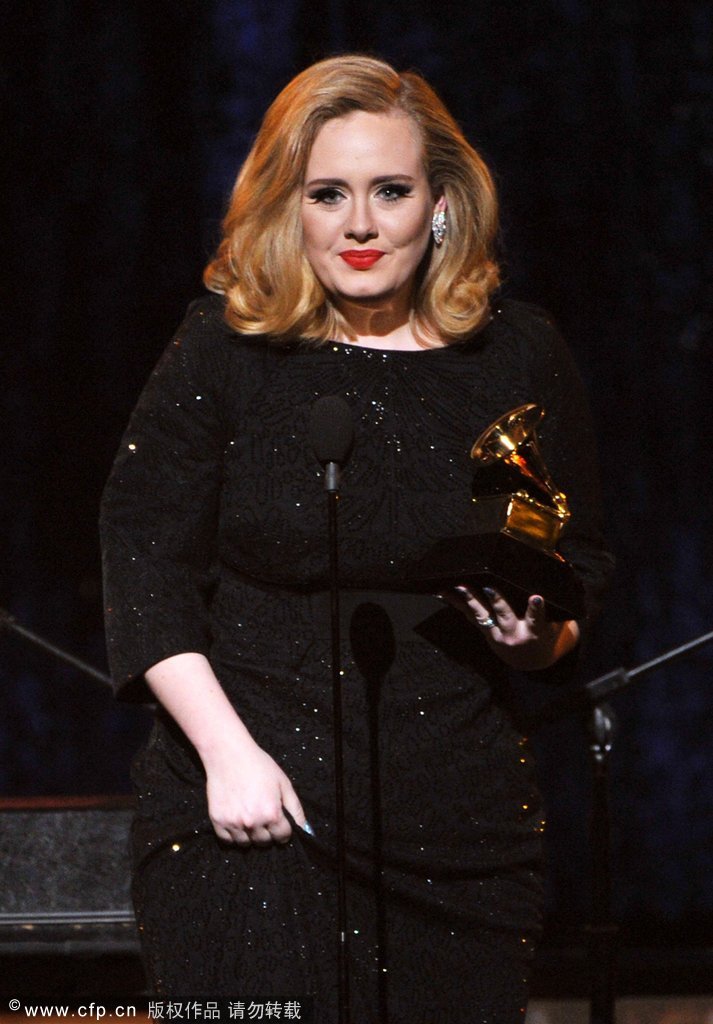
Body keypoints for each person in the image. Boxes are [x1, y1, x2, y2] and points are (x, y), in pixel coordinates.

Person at [100, 54, 613, 1024]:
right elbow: (141, 556)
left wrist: (538, 638)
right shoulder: (226, 346)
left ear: (442, 203)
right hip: (252, 815)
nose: (361, 225)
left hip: (458, 834)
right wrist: (227, 755)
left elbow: (575, 567)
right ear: (285, 208)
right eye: (327, 193)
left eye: (390, 190)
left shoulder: (517, 354)